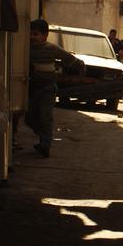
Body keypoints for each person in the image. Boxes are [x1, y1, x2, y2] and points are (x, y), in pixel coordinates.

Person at [27, 19, 84, 157]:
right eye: (31, 34)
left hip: (48, 89)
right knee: (30, 118)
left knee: (45, 116)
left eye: (36, 34)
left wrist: (80, 65)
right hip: (32, 89)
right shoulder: (26, 50)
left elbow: (70, 59)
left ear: (45, 35)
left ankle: (45, 145)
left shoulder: (51, 49)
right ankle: (44, 136)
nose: (32, 37)